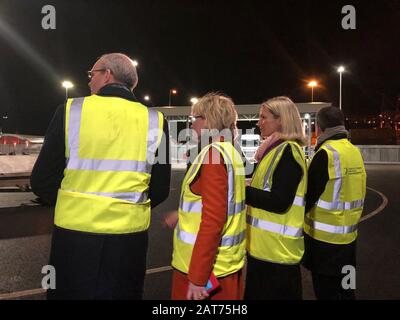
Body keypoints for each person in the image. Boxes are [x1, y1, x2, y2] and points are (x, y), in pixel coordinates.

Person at [30, 53, 171, 299]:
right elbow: (160, 187)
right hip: (129, 241)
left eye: (91, 74)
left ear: (107, 74)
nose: (89, 81)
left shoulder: (71, 110)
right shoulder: (155, 121)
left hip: (74, 238)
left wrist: (74, 202)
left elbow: (41, 180)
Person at [165, 93, 246, 300]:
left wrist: (198, 277)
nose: (192, 125)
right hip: (225, 266)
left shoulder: (212, 155)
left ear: (209, 120)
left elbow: (213, 221)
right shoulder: (229, 152)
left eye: (196, 119)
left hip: (205, 272)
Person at [245, 96, 307, 300]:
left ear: (281, 120)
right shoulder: (273, 151)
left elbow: (279, 201)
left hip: (277, 254)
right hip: (266, 250)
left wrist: (239, 190)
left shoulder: (288, 151)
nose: (258, 122)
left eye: (264, 117)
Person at [302, 106, 366, 300]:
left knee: (326, 294)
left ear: (319, 128)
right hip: (349, 241)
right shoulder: (354, 151)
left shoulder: (325, 154)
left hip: (324, 245)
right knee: (348, 289)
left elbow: (308, 196)